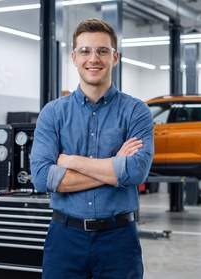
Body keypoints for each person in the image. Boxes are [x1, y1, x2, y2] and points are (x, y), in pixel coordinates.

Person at [30, 18, 154, 279]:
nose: (93, 58)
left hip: (119, 241)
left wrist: (70, 161)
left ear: (115, 57)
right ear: (74, 57)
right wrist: (113, 168)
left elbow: (135, 172)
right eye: (85, 51)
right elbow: (42, 178)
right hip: (65, 239)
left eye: (102, 51)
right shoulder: (53, 113)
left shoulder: (136, 111)